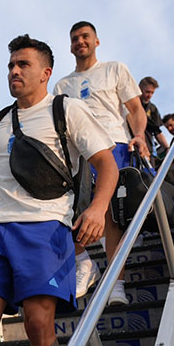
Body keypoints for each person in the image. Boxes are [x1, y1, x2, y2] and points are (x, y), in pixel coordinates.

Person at [0, 34, 118, 346]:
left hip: (46, 230)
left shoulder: (66, 110)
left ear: (46, 73)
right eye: (10, 65)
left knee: (40, 328)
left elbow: (106, 165)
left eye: (23, 64)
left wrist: (96, 209)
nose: (14, 71)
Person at [53, 20, 151, 306]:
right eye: (74, 38)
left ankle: (116, 284)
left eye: (85, 36)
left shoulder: (114, 69)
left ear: (96, 41)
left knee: (110, 216)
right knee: (66, 211)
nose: (79, 41)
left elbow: (135, 109)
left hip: (112, 144)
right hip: (79, 154)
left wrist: (140, 136)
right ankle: (85, 262)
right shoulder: (62, 85)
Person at [139, 76, 170, 156]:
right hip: (129, 145)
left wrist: (167, 148)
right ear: (139, 89)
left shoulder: (153, 109)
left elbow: (157, 132)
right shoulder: (129, 103)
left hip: (148, 150)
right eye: (147, 92)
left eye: (152, 93)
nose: (150, 95)